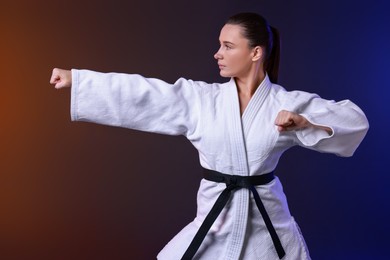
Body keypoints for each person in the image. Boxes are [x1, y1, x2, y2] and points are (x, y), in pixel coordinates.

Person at [49, 12, 369, 260]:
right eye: (219, 45)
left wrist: (305, 123)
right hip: (215, 222)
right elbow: (145, 95)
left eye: (228, 46)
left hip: (267, 225)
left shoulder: (285, 103)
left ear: (256, 52)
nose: (217, 53)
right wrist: (79, 81)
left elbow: (353, 121)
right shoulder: (202, 99)